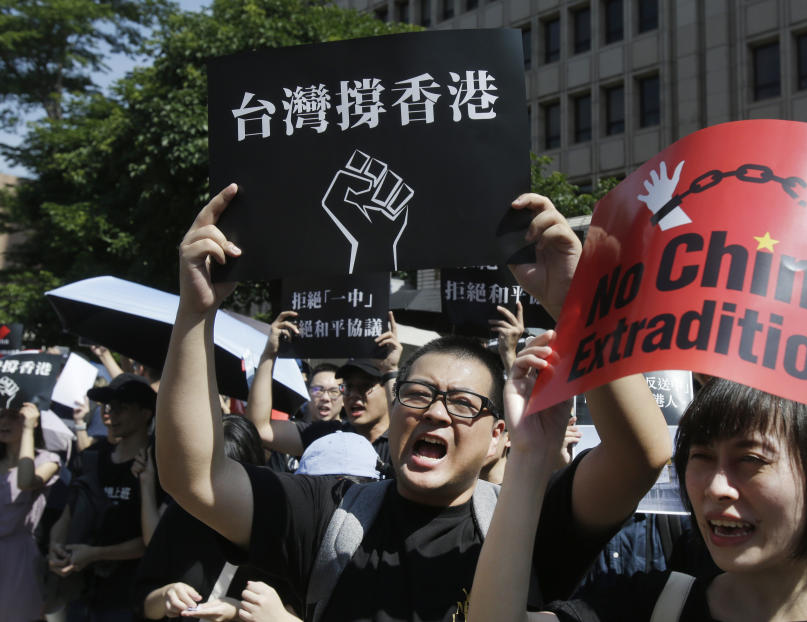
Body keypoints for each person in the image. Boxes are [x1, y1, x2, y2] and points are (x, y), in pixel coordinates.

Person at [155, 185, 672, 621]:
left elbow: (641, 454)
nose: (436, 412)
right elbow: (195, 478)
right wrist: (195, 312)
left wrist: (578, 300)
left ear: (499, 434)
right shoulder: (329, 513)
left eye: (465, 403)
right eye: (419, 393)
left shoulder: (528, 518)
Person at [467, 320, 807, 622]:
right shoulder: (650, 606)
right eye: (701, 457)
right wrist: (530, 453)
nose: (717, 487)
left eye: (751, 460)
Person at [136, 414, 300, 621]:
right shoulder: (182, 515)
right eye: (207, 478)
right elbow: (144, 604)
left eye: (226, 479)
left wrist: (236, 612)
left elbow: (291, 615)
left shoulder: (278, 532)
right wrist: (165, 595)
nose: (214, 492)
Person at [48, 372, 157, 622]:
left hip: (126, 600)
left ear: (145, 414)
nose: (111, 414)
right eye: (109, 406)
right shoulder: (92, 457)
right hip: (79, 593)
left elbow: (151, 541)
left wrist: (96, 554)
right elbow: (68, 514)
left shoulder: (156, 468)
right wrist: (56, 548)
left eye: (122, 407)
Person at [245, 310, 401, 474]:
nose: (354, 394)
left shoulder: (402, 442)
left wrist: (390, 371)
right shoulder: (330, 436)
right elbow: (260, 428)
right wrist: (269, 355)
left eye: (364, 387)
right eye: (348, 387)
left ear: (386, 387)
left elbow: (403, 429)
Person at [0, 401, 61, 622]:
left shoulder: (48, 460)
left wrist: (27, 430)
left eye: (14, 416)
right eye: (1, 415)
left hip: (19, 559)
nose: (4, 422)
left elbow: (25, 481)